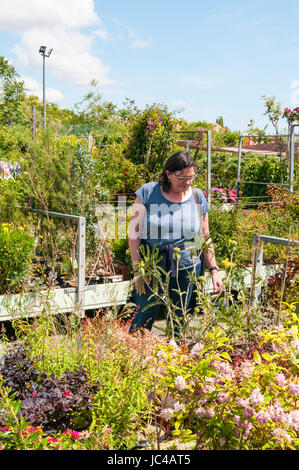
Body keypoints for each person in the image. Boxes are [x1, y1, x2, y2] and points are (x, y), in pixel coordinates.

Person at [128, 150, 223, 335]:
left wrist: (214, 270)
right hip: (151, 265)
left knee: (180, 318)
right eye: (181, 177)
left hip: (187, 265)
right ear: (168, 174)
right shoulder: (148, 192)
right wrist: (137, 268)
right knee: (142, 314)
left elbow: (204, 235)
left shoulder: (197, 196)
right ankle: (136, 357)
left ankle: (177, 355)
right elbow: (133, 233)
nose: (187, 182)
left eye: (191, 177)